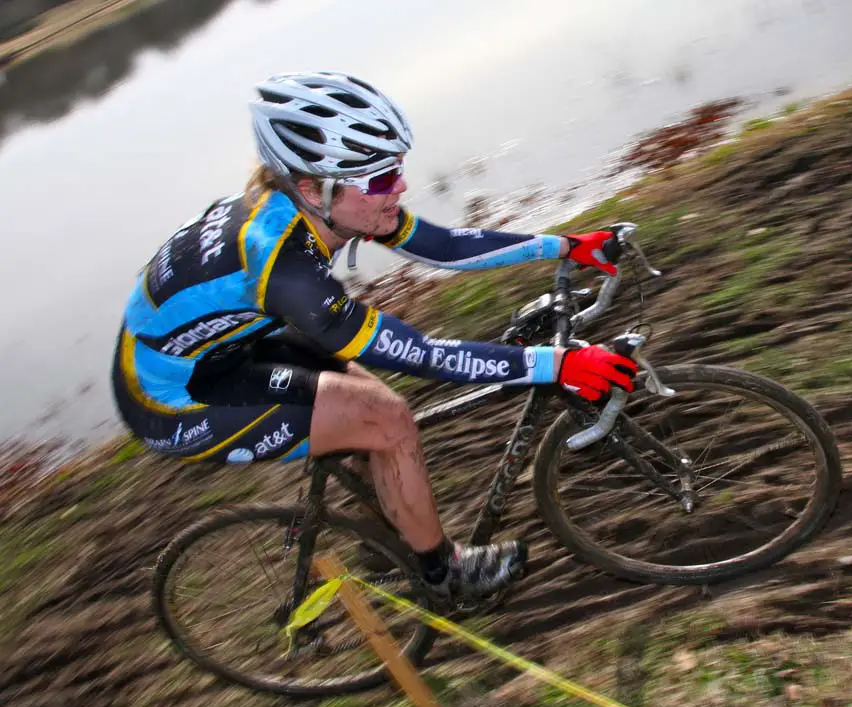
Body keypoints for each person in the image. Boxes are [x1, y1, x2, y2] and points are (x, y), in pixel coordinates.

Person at [111, 71, 638, 600]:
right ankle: (443, 574)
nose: (400, 187)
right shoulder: (284, 263)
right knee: (388, 418)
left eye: (396, 170)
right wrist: (556, 364)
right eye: (381, 179)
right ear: (315, 188)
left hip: (217, 346)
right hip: (171, 396)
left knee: (369, 405)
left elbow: (445, 247)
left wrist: (565, 245)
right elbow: (420, 354)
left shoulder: (326, 205)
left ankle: (385, 537)